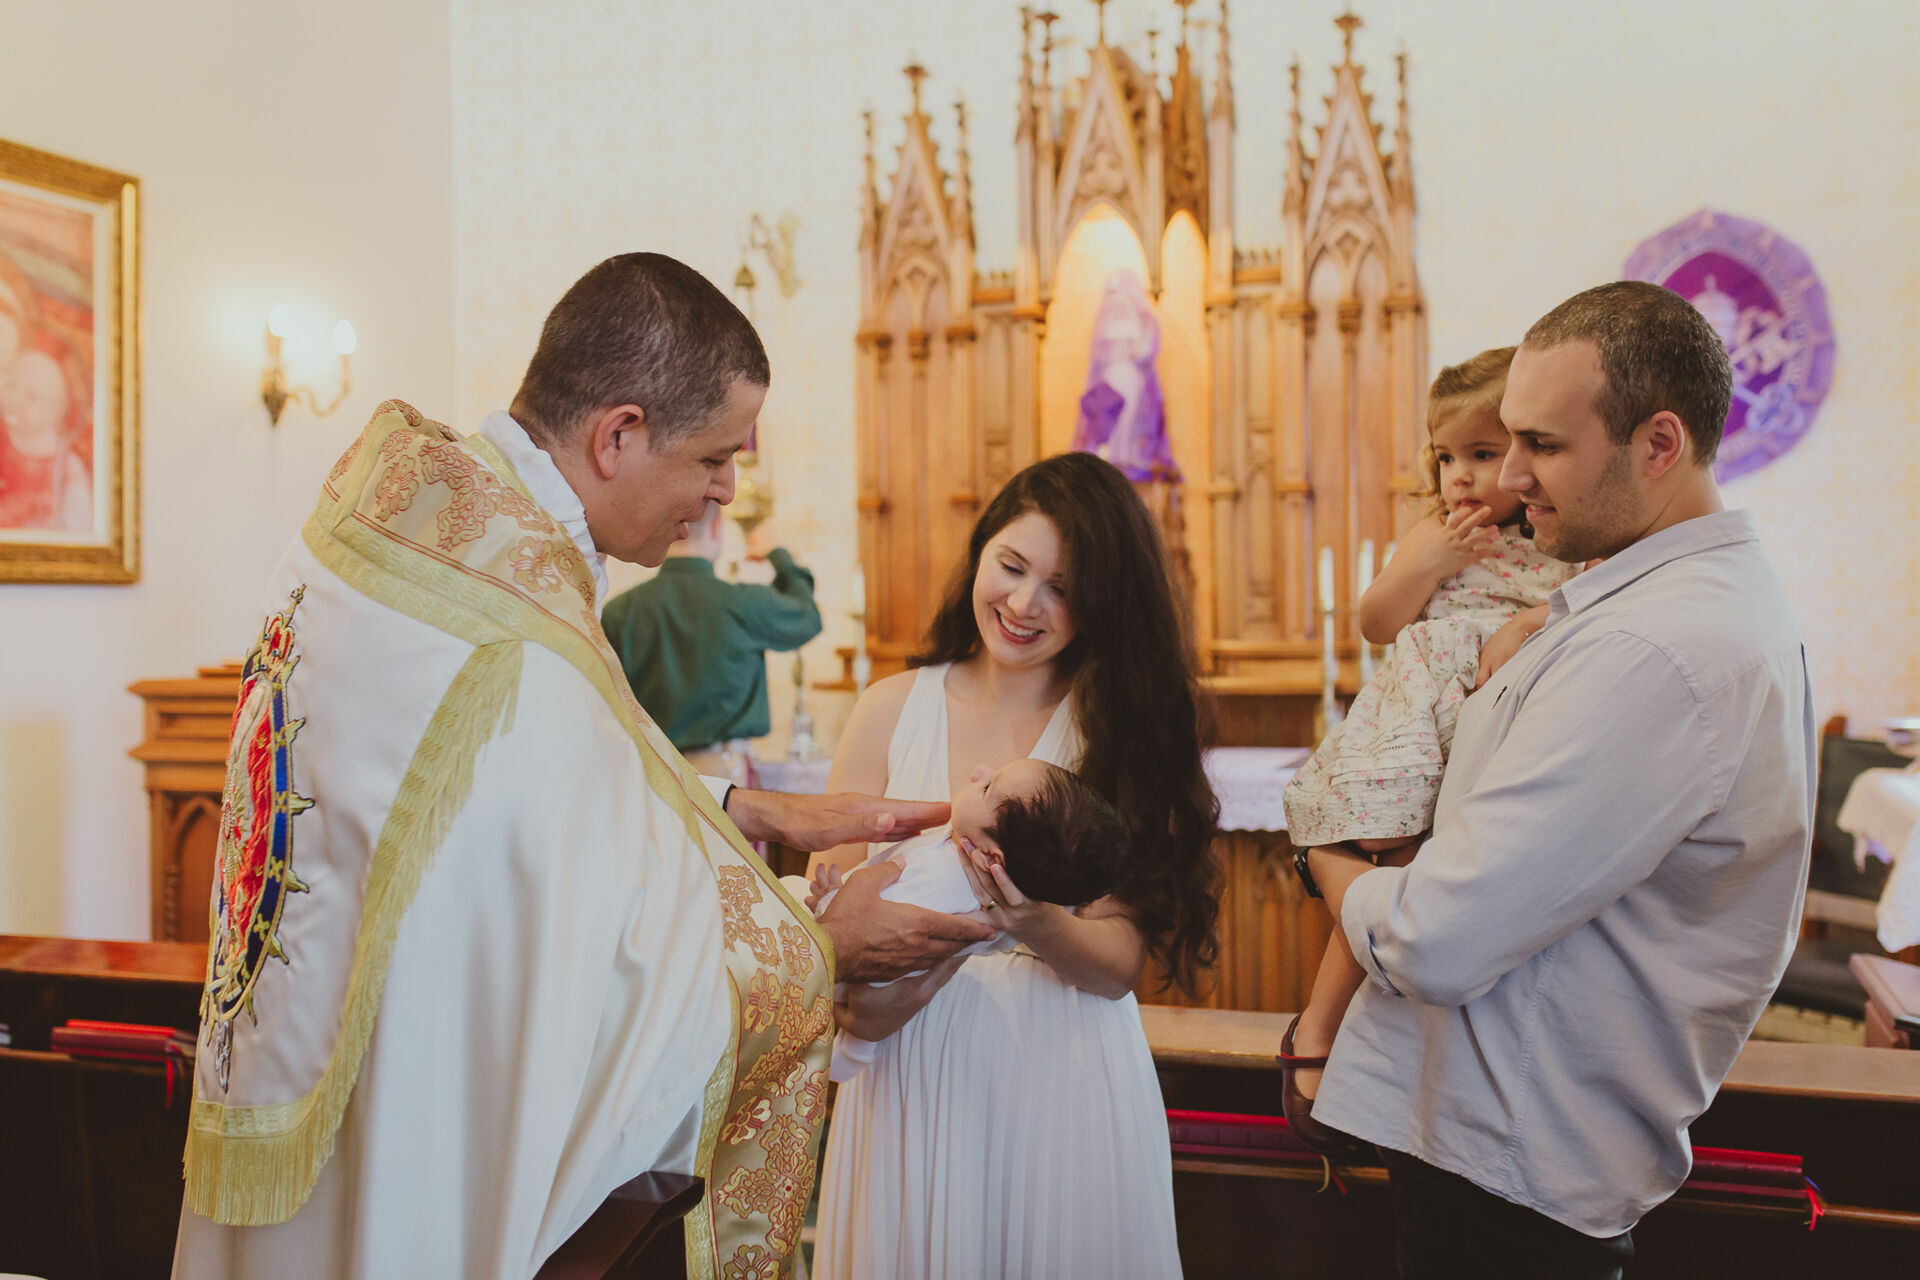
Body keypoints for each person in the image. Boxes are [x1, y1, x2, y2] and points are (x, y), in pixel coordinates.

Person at [171, 253, 993, 1280]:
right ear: (619, 433)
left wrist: (736, 809)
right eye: (716, 457)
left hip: (321, 1079)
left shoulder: (410, 538)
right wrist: (813, 948)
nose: (722, 494)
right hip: (418, 1116)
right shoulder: (518, 638)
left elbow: (495, 807)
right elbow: (594, 951)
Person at [1301, 281, 1815, 1279]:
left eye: (1544, 443)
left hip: (1517, 1166)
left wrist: (1326, 850)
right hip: (1499, 1139)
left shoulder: (1655, 648)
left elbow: (1436, 935)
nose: (1514, 474)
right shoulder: (1636, 603)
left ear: (1658, 444)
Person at [809, 451, 1220, 1280]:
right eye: (1012, 566)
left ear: (1101, 604)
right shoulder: (890, 710)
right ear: (982, 554)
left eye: (1062, 588)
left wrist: (1028, 918)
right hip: (904, 1073)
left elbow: (1116, 967)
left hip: (1056, 1074)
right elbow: (832, 924)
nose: (1026, 604)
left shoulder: (1120, 731)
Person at [1277, 347, 1581, 1150]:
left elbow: (1584, 616)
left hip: (1502, 723)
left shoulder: (1565, 545)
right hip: (1424, 714)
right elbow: (1378, 623)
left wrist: (1528, 620)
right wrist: (1431, 561)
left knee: (1439, 885)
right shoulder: (1437, 533)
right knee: (1388, 861)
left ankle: (1373, 1045)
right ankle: (1318, 1029)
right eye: (1447, 457)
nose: (1461, 477)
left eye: (1482, 455)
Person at [798, 756, 1130, 1081]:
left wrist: (829, 900)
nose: (977, 773)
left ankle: (852, 1052)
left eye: (987, 787)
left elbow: (869, 924)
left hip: (859, 978)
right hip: (880, 1003)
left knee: (782, 900)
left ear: (990, 856)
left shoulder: (945, 879)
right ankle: (853, 1050)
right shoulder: (982, 868)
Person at [601, 500, 822, 775]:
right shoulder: (741, 603)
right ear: (718, 528)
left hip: (651, 773)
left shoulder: (619, 612)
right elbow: (805, 616)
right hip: (723, 771)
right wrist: (779, 557)